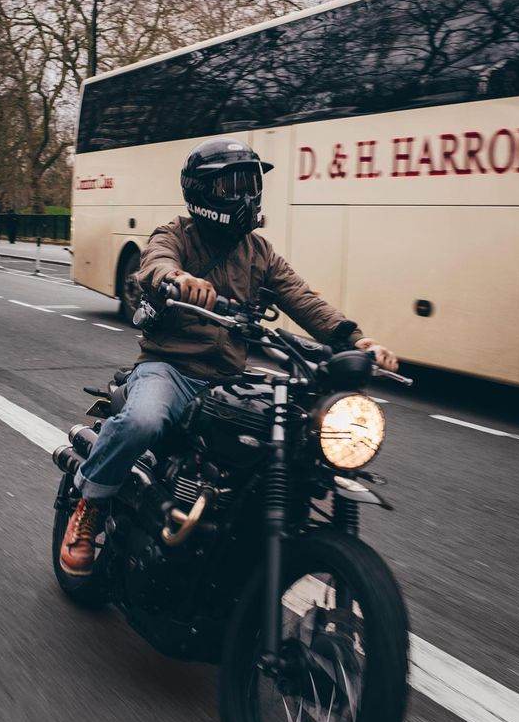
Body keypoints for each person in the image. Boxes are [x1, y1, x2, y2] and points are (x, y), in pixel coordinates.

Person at [60, 138, 399, 576]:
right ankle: (90, 504)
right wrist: (176, 278)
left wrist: (357, 341)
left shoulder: (259, 252)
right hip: (171, 370)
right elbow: (154, 264)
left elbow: (303, 299)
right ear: (201, 191)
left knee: (292, 432)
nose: (244, 195)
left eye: (251, 183)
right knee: (143, 419)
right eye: (232, 185)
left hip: (228, 378)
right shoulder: (176, 234)